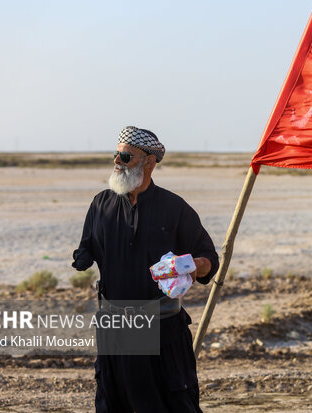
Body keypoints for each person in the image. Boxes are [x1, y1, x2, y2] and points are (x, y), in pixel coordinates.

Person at [72, 126, 219, 412]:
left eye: (125, 156)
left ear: (149, 162)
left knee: (171, 403)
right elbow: (86, 244)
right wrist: (83, 256)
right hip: (115, 328)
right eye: (116, 153)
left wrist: (195, 267)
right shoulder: (100, 204)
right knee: (114, 402)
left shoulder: (174, 208)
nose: (117, 160)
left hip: (162, 329)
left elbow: (208, 257)